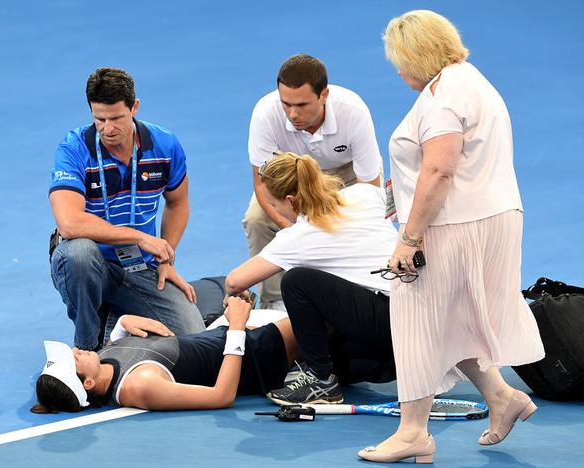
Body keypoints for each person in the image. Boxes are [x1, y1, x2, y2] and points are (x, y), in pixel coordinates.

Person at [356, 10, 545, 463]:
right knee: (455, 319)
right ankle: (501, 397)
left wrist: (410, 237)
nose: (397, 70)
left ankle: (412, 433)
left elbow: (439, 170)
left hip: (451, 225)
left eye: (399, 61)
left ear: (417, 56)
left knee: (416, 321)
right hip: (493, 215)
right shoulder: (470, 79)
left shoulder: (443, 98)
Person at [49, 67, 205, 351]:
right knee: (79, 255)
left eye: (116, 118)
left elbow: (178, 202)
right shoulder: (73, 149)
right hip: (88, 263)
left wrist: (166, 259)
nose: (108, 129)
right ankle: (87, 349)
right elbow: (69, 223)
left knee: (192, 338)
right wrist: (140, 237)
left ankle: (115, 319)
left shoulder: (165, 145)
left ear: (134, 107)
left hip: (139, 266)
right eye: (100, 119)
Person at [226, 152, 398, 405]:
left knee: (297, 281)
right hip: (416, 312)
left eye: (274, 206)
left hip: (387, 319)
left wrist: (236, 297)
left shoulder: (298, 236)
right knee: (336, 357)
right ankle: (401, 365)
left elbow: (234, 281)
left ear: (290, 201)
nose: (275, 211)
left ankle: (321, 380)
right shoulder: (365, 192)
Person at [244, 54, 384, 309]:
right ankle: (276, 301)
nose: (292, 114)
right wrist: (293, 230)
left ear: (324, 95)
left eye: (302, 105)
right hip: (291, 175)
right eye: (286, 104)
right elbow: (262, 186)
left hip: (348, 174)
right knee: (256, 219)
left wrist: (319, 231)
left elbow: (370, 191)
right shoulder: (265, 113)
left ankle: (360, 290)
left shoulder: (353, 112)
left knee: (348, 223)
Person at [31, 297, 300, 413]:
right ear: (88, 383)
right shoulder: (140, 386)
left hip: (224, 333)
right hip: (257, 356)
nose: (77, 349)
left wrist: (123, 322)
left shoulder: (102, 362)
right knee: (315, 302)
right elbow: (222, 396)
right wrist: (238, 328)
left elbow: (125, 349)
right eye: (75, 358)